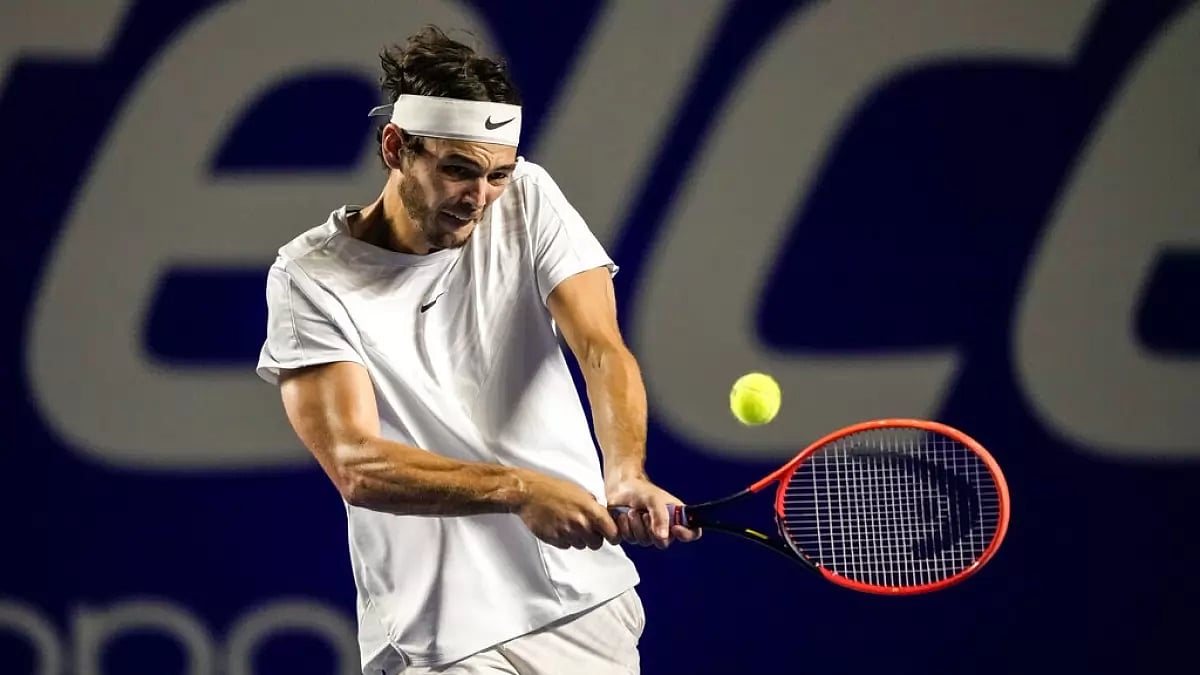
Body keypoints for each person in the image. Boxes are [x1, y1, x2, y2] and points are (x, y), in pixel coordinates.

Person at [255, 25, 699, 675]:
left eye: (497, 174)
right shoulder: (309, 277)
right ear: (395, 148)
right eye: (458, 170)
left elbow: (602, 349)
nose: (480, 197)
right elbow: (357, 461)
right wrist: (518, 488)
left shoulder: (529, 200)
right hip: (441, 637)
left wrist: (625, 469)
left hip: (584, 605)